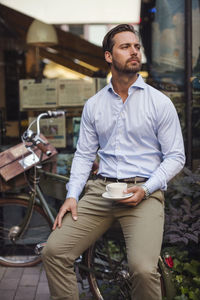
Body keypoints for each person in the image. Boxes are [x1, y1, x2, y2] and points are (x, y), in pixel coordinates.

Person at [42, 24, 185, 300]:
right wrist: (72, 195)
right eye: (125, 46)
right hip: (101, 193)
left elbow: (176, 156)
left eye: (136, 46)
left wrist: (147, 187)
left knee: (143, 270)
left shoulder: (159, 103)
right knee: (54, 252)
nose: (134, 51)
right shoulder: (94, 105)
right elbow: (84, 154)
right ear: (109, 56)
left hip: (144, 192)